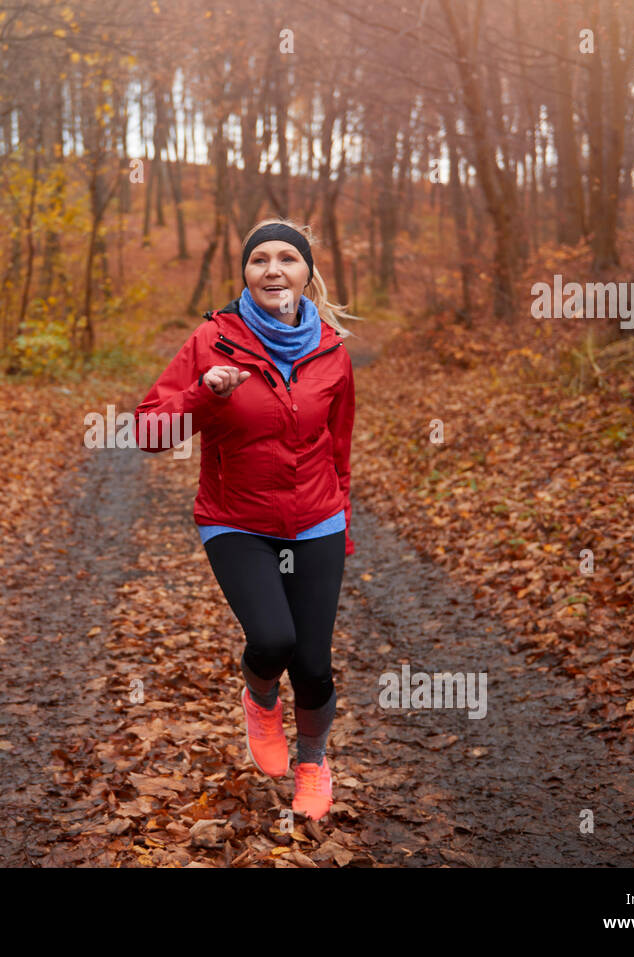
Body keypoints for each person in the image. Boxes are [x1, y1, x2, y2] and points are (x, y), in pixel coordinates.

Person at [135, 218, 358, 821]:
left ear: (307, 274)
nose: (273, 269)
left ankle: (313, 764)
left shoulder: (333, 350)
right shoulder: (212, 342)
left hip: (316, 520)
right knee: (273, 640)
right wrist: (205, 393)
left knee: (313, 663)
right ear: (246, 274)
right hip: (237, 520)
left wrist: (341, 515)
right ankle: (260, 699)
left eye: (288, 258)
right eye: (260, 259)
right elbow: (148, 431)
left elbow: (338, 444)